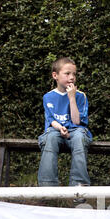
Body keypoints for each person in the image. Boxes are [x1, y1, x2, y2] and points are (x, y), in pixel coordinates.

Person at [37, 57, 92, 192]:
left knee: (79, 138)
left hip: (75, 130)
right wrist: (60, 128)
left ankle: (79, 188)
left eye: (74, 74)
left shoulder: (80, 96)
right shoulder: (48, 97)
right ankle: (47, 188)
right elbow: (51, 119)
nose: (72, 77)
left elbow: (76, 122)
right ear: (55, 75)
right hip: (56, 130)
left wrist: (71, 97)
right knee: (50, 138)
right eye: (67, 74)